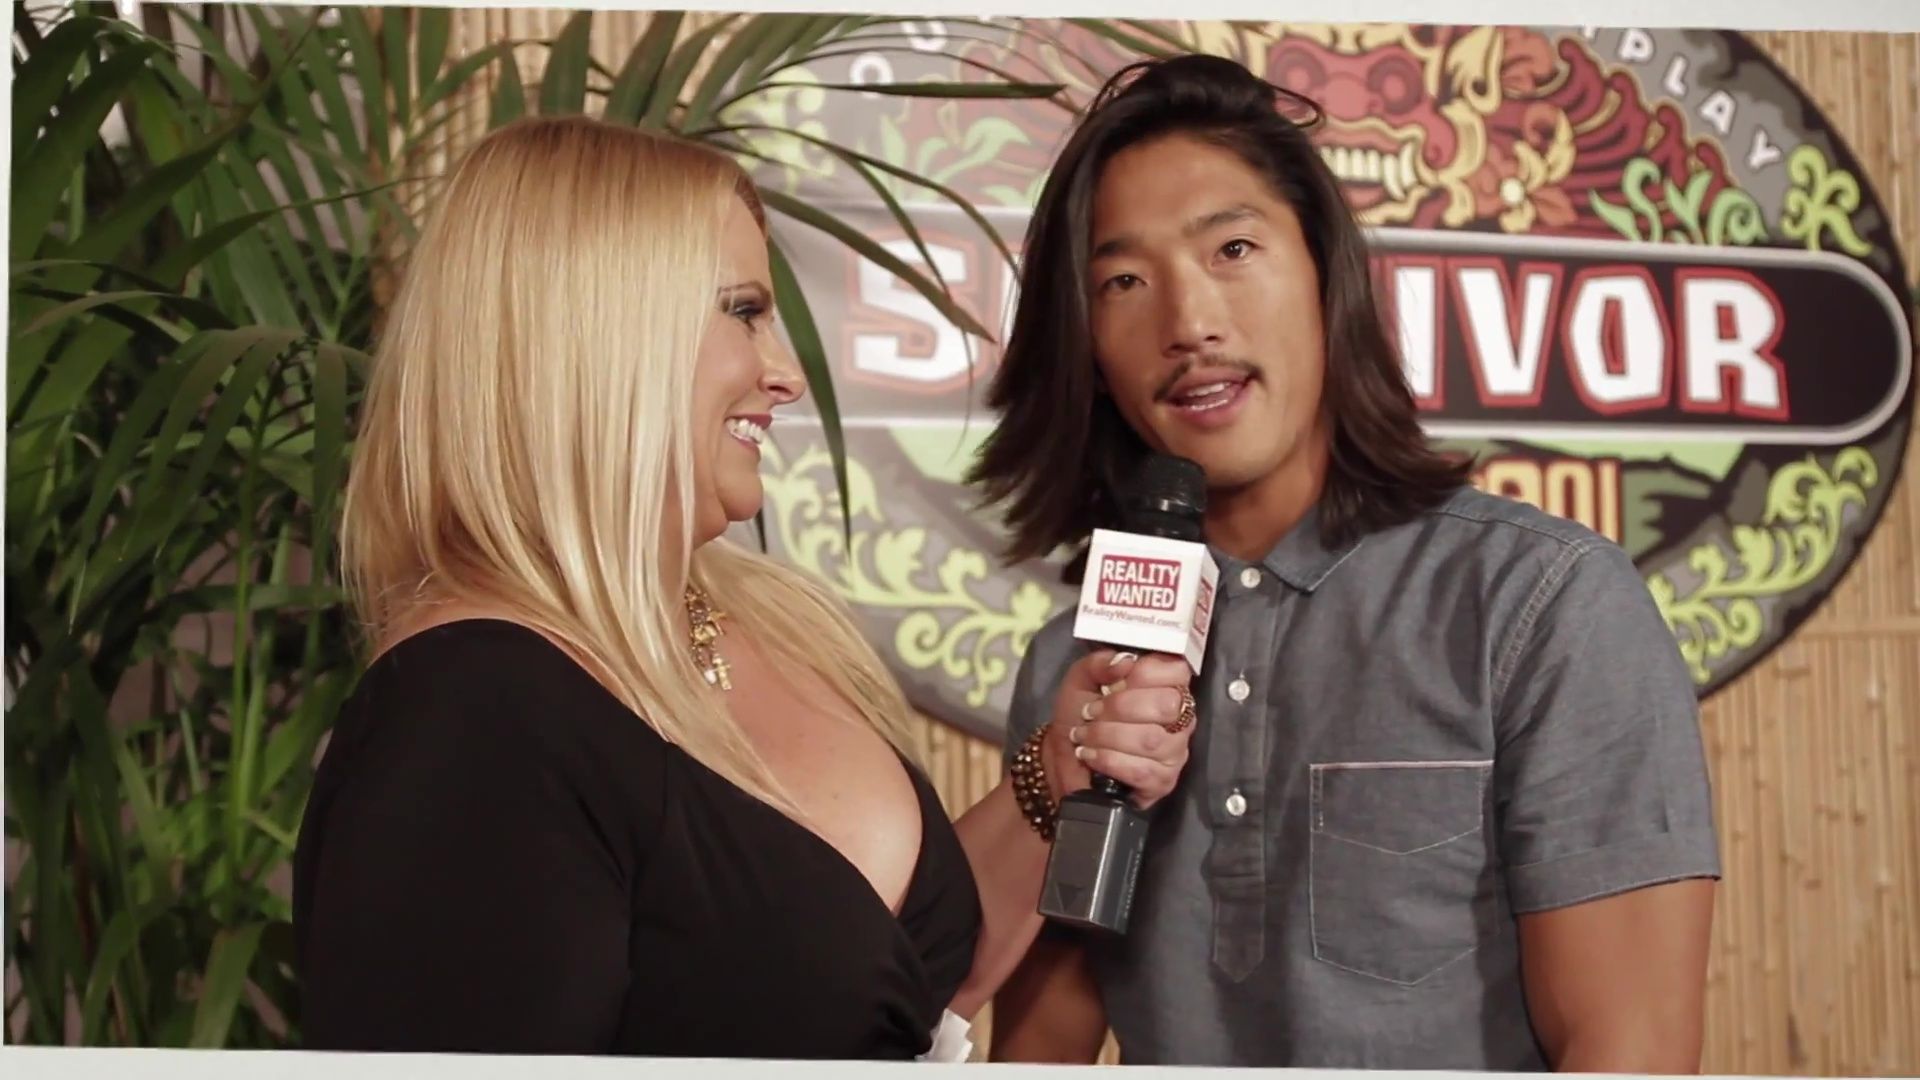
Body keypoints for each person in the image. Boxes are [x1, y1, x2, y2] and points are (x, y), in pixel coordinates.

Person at [289, 115, 1200, 1060]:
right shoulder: (472, 707)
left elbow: (886, 995)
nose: (786, 375)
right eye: (743, 312)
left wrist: (1058, 774)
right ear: (595, 337)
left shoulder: (768, 622)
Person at [968, 54, 1721, 1072]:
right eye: (1124, 281)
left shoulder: (1542, 604)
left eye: (1233, 248)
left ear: (1331, 278)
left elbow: (1630, 1049)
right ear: (1089, 349)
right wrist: (1054, 775)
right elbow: (1036, 1052)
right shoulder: (1081, 661)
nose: (1188, 323)